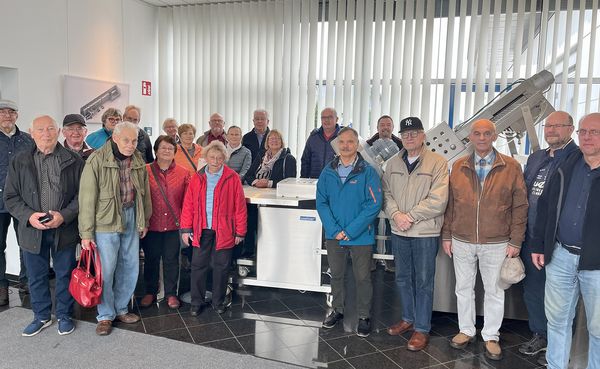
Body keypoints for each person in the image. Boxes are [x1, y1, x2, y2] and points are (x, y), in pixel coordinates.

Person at [441, 119, 528, 361]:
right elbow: (451, 205)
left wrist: (516, 241)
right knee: (463, 288)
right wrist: (447, 235)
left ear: (494, 136)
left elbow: (520, 207)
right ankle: (466, 330)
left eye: (486, 134)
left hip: (497, 242)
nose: (481, 138)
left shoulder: (510, 167)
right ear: (470, 137)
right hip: (462, 239)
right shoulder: (458, 166)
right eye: (477, 134)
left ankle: (491, 335)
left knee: (494, 290)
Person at [530, 113, 600, 369]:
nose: (587, 137)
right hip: (560, 256)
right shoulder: (567, 165)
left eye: (594, 132)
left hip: (596, 265)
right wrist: (539, 244)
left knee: (598, 329)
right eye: (583, 132)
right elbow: (546, 206)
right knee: (557, 321)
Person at [4, 115, 84, 336]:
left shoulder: (74, 159)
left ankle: (65, 315)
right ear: (32, 132)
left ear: (58, 131)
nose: (46, 133)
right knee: (36, 275)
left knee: (64, 273)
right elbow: (11, 197)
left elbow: (82, 196)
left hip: (64, 228)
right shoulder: (19, 160)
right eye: (40, 129)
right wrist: (29, 216)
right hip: (32, 229)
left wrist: (64, 215)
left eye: (50, 129)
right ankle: (41, 316)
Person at [79, 121, 152, 336]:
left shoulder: (138, 158)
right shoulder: (96, 159)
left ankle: (121, 309)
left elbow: (145, 193)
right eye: (127, 140)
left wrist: (144, 220)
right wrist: (86, 233)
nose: (131, 145)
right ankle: (105, 315)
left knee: (130, 265)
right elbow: (87, 199)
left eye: (135, 140)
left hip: (131, 216)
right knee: (107, 270)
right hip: (105, 220)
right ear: (115, 139)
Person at [382, 117, 449, 351]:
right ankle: (408, 318)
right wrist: (396, 215)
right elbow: (386, 194)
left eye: (415, 133)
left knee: (423, 281)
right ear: (401, 137)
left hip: (424, 232)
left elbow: (438, 200)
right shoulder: (392, 163)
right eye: (406, 134)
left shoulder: (437, 163)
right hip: (399, 231)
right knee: (402, 278)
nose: (410, 137)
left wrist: (409, 217)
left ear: (423, 136)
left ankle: (422, 328)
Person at [518, 111, 577, 361]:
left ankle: (558, 346)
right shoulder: (536, 158)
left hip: (556, 241)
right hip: (531, 238)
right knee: (532, 290)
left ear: (570, 129)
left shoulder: (577, 159)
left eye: (558, 126)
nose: (551, 130)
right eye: (548, 125)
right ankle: (539, 335)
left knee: (560, 298)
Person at [316, 127, 382, 337]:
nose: (345, 146)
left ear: (358, 144)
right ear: (337, 144)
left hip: (361, 235)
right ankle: (337, 309)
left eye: (350, 142)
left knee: (362, 277)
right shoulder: (327, 171)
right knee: (336, 275)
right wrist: (335, 230)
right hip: (334, 235)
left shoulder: (367, 172)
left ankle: (363, 316)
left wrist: (350, 231)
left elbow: (374, 204)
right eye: (342, 142)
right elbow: (321, 202)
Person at [180, 141, 247, 315]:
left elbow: (240, 206)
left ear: (224, 158)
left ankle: (218, 301)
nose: (215, 161)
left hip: (225, 229)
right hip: (201, 228)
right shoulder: (197, 177)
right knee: (198, 265)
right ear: (206, 158)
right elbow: (188, 205)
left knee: (222, 266)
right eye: (212, 157)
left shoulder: (232, 178)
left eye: (219, 158)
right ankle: (197, 302)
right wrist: (186, 229)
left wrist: (240, 231)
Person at [139, 136, 190, 309]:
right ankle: (150, 291)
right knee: (151, 259)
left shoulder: (183, 173)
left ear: (175, 151)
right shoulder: (144, 171)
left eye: (170, 148)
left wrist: (186, 226)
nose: (167, 151)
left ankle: (171, 294)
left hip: (173, 225)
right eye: (163, 148)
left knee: (171, 260)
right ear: (155, 150)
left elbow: (187, 202)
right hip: (151, 225)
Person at [0, 99, 33, 305]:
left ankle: (27, 281)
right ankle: (2, 286)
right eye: (2, 112)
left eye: (11, 112)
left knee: (26, 244)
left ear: (17, 116)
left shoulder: (28, 140)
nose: (7, 116)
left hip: (23, 203)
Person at [300, 107, 341, 178]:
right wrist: (304, 180)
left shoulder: (344, 137)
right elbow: (305, 160)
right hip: (315, 181)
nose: (326, 120)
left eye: (330, 117)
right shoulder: (313, 137)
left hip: (336, 182)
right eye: (323, 117)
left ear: (337, 119)